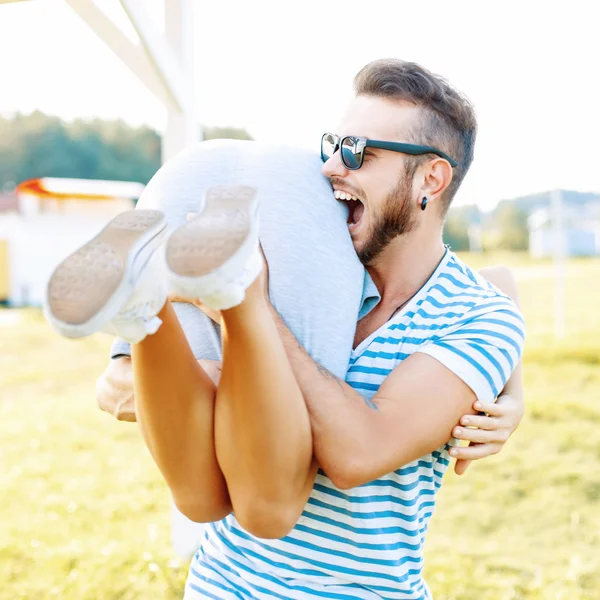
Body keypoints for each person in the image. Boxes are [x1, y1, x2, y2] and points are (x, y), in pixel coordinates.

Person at [46, 59, 525, 599]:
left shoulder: (477, 315)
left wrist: (248, 307)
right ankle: (141, 313)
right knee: (202, 500)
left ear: (431, 178)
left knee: (259, 505)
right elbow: (118, 387)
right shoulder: (305, 259)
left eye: (358, 154)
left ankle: (150, 314)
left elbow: (356, 455)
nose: (331, 169)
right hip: (216, 587)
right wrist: (193, 367)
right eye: (332, 146)